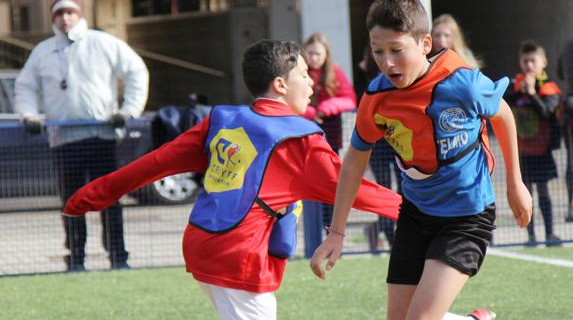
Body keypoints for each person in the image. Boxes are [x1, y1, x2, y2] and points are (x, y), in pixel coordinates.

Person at [63, 39, 401, 319]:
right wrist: (429, 208)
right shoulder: (300, 139)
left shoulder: (222, 119)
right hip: (239, 256)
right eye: (303, 74)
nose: (312, 81)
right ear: (280, 84)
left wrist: (89, 197)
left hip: (201, 244)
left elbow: (153, 164)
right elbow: (355, 188)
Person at [310, 0, 532, 320]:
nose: (387, 62)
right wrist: (337, 232)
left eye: (396, 50)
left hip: (467, 217)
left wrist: (515, 183)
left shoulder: (462, 83)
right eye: (377, 51)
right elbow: (355, 161)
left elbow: (503, 115)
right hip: (415, 214)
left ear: (425, 44)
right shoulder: (375, 99)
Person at [14, 0, 149, 272]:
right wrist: (28, 115)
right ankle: (76, 258)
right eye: (59, 13)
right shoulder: (43, 51)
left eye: (70, 12)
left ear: (79, 14)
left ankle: (118, 257)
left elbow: (136, 71)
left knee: (110, 201)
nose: (65, 18)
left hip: (102, 137)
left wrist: (129, 110)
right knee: (72, 204)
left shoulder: (103, 43)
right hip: (64, 140)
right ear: (53, 18)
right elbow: (25, 86)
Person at [506, 40, 562, 246]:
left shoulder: (548, 87)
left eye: (533, 61)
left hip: (543, 149)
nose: (529, 65)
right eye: (525, 61)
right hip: (523, 150)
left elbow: (548, 112)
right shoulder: (516, 85)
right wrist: (520, 91)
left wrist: (531, 93)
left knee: (543, 191)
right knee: (525, 192)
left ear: (543, 62)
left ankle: (549, 233)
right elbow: (503, 106)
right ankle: (530, 236)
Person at [302, 33, 357, 227]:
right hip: (305, 134)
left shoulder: (335, 73)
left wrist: (325, 109)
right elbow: (291, 102)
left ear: (326, 54)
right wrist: (310, 112)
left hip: (330, 135)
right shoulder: (300, 72)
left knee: (329, 181)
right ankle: (313, 229)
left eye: (318, 53)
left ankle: (330, 226)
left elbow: (349, 98)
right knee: (310, 182)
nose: (314, 58)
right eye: (310, 53)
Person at [357, 44, 401, 250]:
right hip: (377, 141)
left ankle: (384, 230)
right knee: (384, 188)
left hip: (399, 137)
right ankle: (389, 235)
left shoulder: (400, 69)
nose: (386, 59)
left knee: (404, 187)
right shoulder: (364, 71)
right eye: (379, 51)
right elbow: (361, 103)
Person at [558, 37, 573, 222]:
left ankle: (571, 206)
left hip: (570, 103)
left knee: (571, 162)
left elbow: (560, 73)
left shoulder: (568, 45)